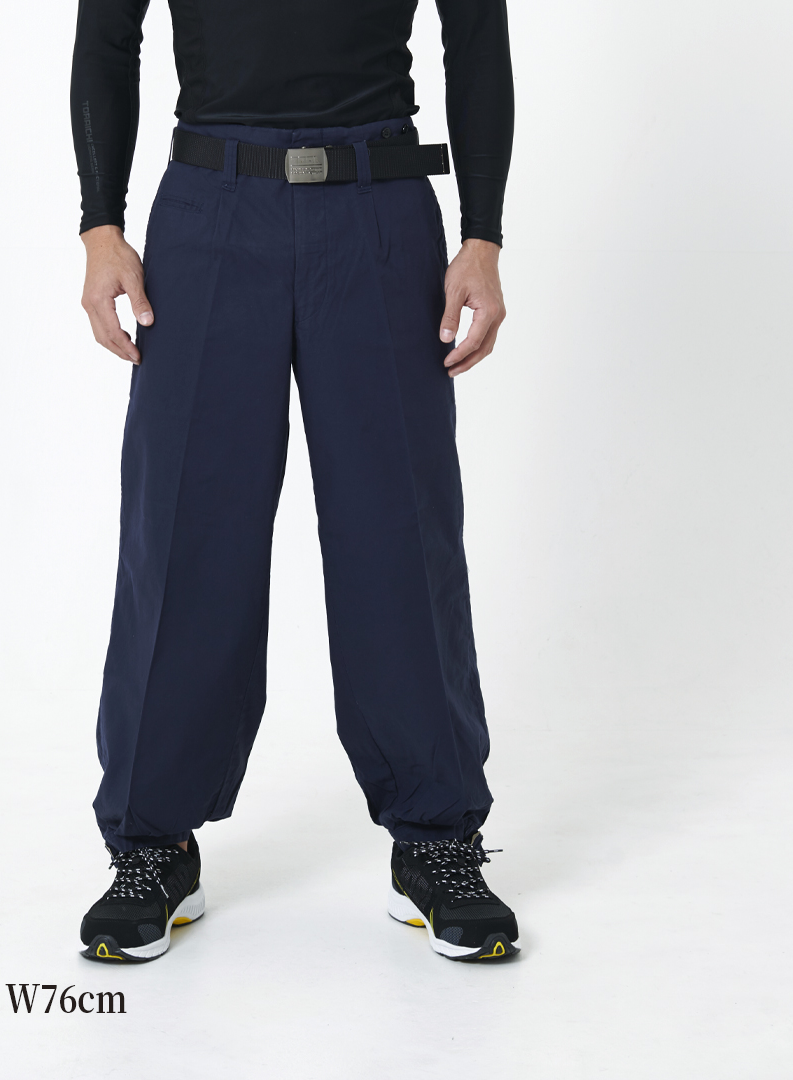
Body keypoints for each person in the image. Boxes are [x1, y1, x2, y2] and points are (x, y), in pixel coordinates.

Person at [71, 0, 518, 964]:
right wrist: (100, 224)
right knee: (184, 529)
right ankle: (151, 845)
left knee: (400, 531)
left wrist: (482, 235)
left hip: (379, 205)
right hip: (210, 207)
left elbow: (476, 34)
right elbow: (107, 33)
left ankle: (437, 840)